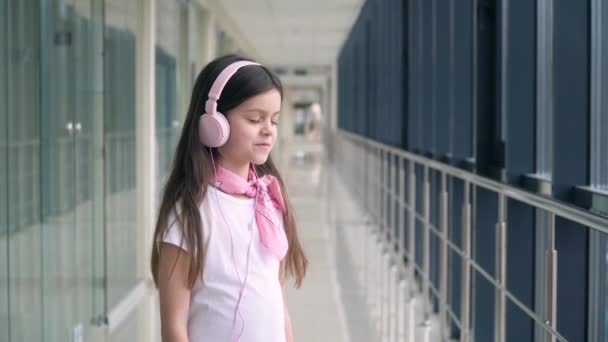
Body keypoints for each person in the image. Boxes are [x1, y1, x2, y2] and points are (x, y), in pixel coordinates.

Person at [150, 54, 308, 342]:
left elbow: (278, 304)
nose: (268, 130)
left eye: (273, 120)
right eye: (254, 118)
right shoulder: (190, 212)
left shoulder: (269, 201)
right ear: (214, 123)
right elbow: (174, 327)